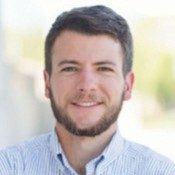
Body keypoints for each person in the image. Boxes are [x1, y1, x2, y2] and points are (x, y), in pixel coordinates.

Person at [0, 5, 174, 175]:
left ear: (128, 85)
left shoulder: (162, 171)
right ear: (47, 83)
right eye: (70, 68)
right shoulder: (8, 167)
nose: (86, 85)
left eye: (104, 68)